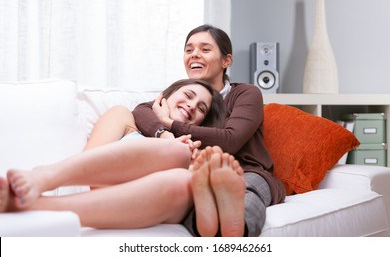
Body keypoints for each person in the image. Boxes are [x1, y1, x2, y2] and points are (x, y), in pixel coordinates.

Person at [0, 79, 226, 228]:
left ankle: (33, 208)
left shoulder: (192, 151)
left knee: (184, 181)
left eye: (201, 109)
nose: (191, 106)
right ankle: (43, 176)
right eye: (188, 95)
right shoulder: (124, 118)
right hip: (103, 191)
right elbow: (93, 179)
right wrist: (165, 137)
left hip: (152, 205)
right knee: (176, 152)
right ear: (163, 97)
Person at [132, 24, 286, 237]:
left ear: (226, 61)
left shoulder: (245, 94)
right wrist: (165, 135)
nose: (194, 54)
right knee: (189, 199)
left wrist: (171, 124)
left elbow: (230, 139)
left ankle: (236, 230)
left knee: (244, 192)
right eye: (189, 50)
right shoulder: (184, 95)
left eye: (205, 49)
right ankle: (206, 229)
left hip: (247, 172)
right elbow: (143, 110)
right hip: (201, 174)